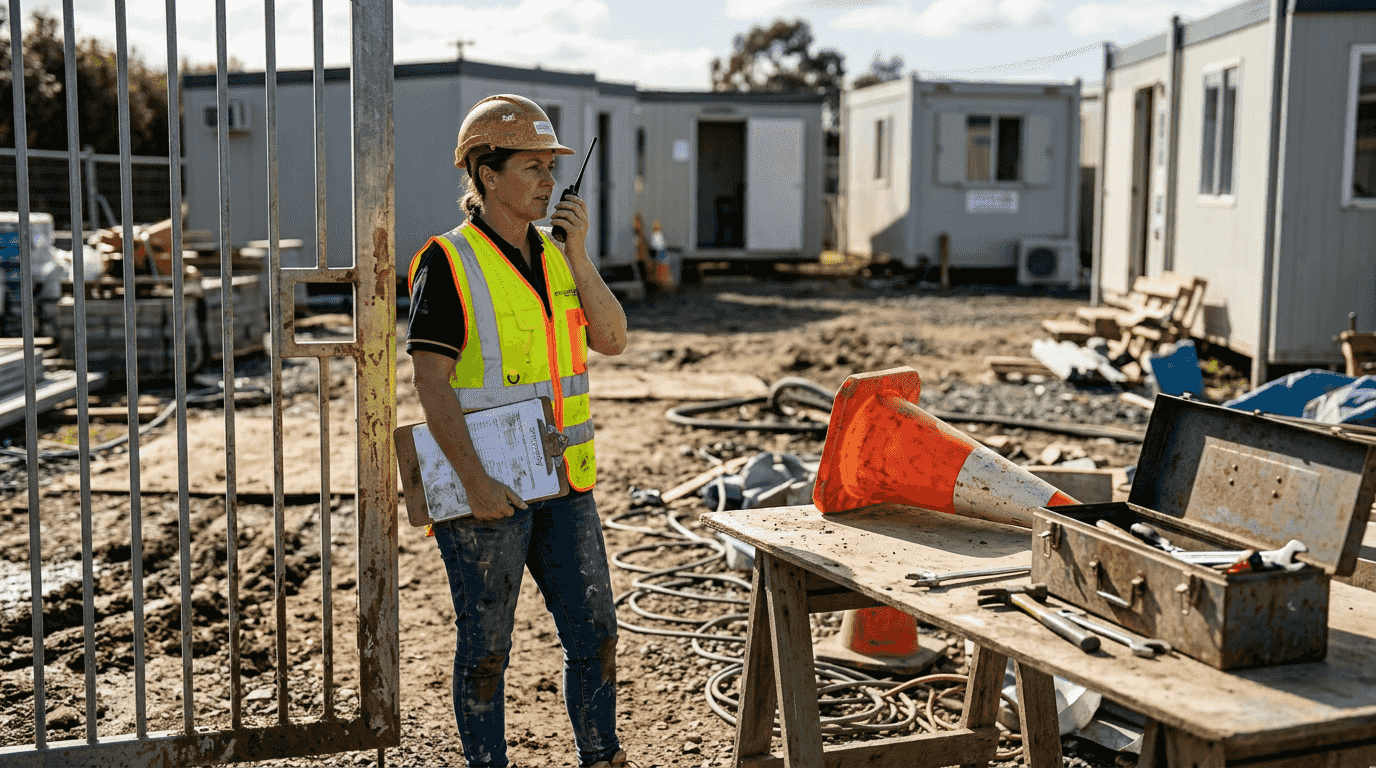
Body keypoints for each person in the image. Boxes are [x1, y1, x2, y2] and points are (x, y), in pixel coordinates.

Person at [405, 93, 631, 768]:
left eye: (551, 167)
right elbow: (430, 381)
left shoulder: (559, 256)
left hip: (565, 484)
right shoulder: (449, 261)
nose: (547, 180)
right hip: (488, 492)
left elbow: (612, 339)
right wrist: (475, 483)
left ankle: (602, 757)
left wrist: (579, 254)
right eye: (531, 166)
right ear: (486, 173)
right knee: (487, 650)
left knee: (595, 635)